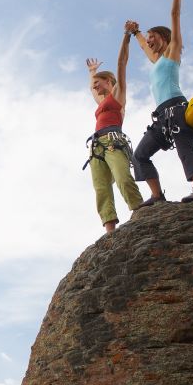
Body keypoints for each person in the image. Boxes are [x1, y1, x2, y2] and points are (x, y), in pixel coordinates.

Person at [126, 0, 193, 205]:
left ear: (163, 37)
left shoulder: (173, 52)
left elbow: (175, 15)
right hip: (161, 116)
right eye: (148, 38)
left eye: (152, 37)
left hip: (177, 109)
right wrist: (136, 32)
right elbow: (142, 45)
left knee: (185, 147)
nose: (149, 41)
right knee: (140, 155)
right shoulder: (157, 61)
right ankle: (156, 196)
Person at [84, 28, 143, 234]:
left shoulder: (117, 95)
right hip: (96, 146)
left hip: (113, 141)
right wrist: (92, 72)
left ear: (109, 82)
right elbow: (92, 89)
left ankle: (140, 211)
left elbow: (121, 65)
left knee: (122, 177)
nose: (95, 87)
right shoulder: (101, 101)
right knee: (101, 188)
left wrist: (126, 37)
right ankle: (110, 229)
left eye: (98, 83)